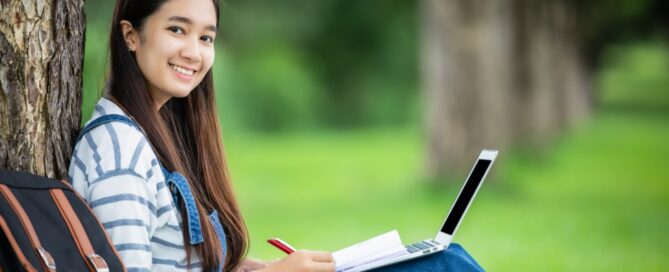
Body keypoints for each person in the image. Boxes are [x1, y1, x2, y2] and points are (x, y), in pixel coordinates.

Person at [68, 0, 483, 271]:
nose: (194, 52)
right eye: (177, 30)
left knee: (442, 260)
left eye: (206, 37)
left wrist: (260, 268)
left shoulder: (157, 137)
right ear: (131, 36)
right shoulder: (120, 154)